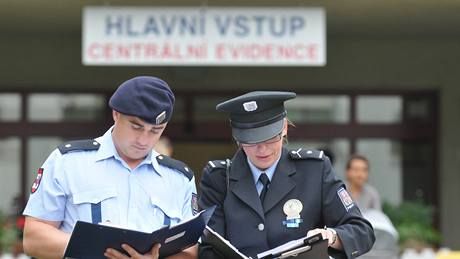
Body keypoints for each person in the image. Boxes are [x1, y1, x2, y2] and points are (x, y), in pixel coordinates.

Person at [22, 76, 198, 259]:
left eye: (155, 130)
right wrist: (99, 248)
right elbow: (34, 238)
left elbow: (189, 251)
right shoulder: (68, 162)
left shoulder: (179, 178)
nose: (143, 140)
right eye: (136, 127)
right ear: (116, 114)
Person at [198, 91, 375, 258]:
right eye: (251, 141)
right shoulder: (218, 178)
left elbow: (361, 231)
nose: (262, 149)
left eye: (270, 138)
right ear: (238, 138)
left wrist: (331, 236)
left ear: (284, 128)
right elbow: (209, 248)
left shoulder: (314, 170)